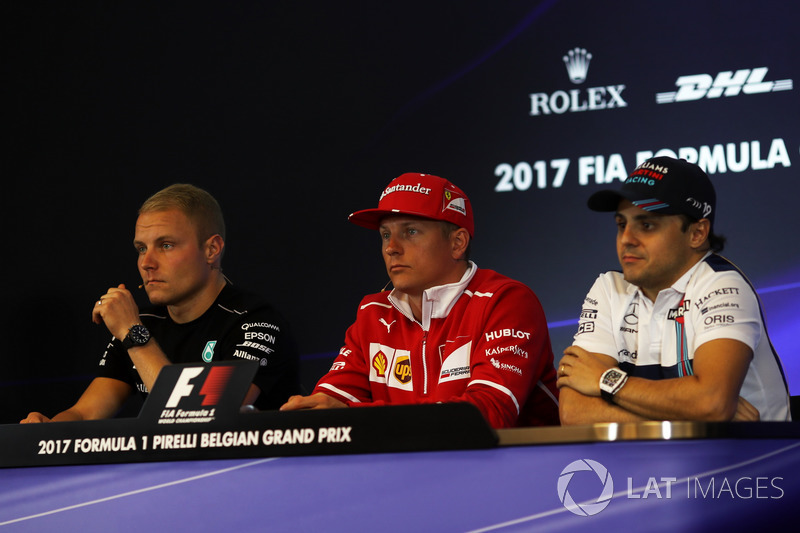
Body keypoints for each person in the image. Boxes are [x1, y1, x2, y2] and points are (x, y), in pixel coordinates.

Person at [281, 172, 559, 428]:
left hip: (512, 474)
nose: (391, 248)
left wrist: (359, 418)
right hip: (408, 472)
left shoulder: (505, 301)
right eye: (386, 235)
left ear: (457, 243)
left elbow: (487, 414)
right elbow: (329, 405)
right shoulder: (373, 311)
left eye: (410, 232)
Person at [21, 184, 299, 422]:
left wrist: (133, 334)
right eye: (141, 248)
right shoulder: (143, 323)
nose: (146, 262)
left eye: (166, 245)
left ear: (211, 250)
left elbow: (200, 415)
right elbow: (84, 414)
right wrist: (48, 427)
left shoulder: (255, 322)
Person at [557, 156, 791, 424]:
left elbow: (711, 403)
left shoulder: (723, 285)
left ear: (697, 233)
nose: (626, 240)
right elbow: (574, 413)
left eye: (646, 225)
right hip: (663, 460)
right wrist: (690, 413)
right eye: (622, 224)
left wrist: (604, 380)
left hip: (752, 462)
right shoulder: (609, 288)